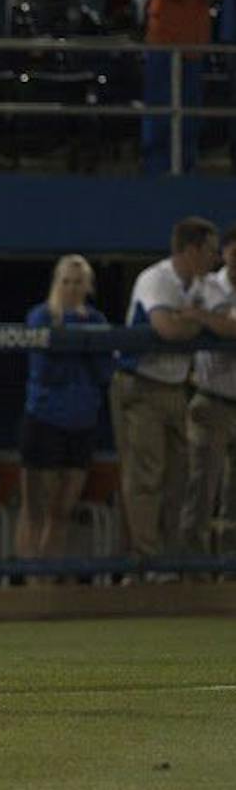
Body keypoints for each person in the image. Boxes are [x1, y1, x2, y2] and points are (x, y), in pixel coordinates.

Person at [110, 217, 220, 566]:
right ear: (191, 250)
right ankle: (146, 564)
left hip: (175, 389)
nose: (215, 259)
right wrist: (198, 321)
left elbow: (227, 325)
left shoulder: (203, 285)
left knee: (179, 477)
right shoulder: (156, 278)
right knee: (146, 476)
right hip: (140, 384)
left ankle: (170, 562)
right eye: (210, 251)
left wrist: (198, 317)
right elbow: (167, 329)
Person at [18, 255, 113, 577]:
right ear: (57, 283)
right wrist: (80, 344)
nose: (72, 288)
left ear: (88, 286)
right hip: (45, 419)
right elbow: (45, 370)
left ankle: (49, 579)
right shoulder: (41, 315)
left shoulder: (97, 318)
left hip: (82, 422)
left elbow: (104, 370)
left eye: (78, 282)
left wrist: (79, 343)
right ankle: (30, 580)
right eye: (66, 281)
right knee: (35, 509)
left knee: (62, 510)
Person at [142, 0, 225, 175]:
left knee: (189, 117)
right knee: (160, 114)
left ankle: (186, 169)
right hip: (163, 46)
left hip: (191, 46)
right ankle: (155, 170)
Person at [185, 225, 236, 555]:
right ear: (225, 253)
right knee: (202, 487)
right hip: (212, 399)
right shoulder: (205, 285)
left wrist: (207, 319)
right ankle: (193, 568)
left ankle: (230, 570)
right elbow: (182, 319)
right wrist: (205, 318)